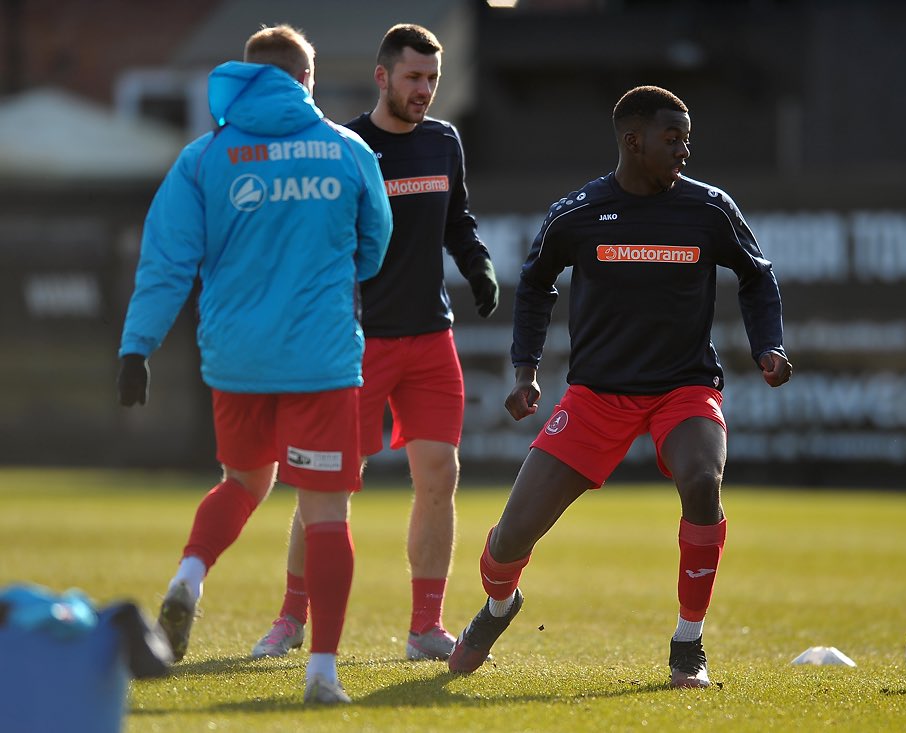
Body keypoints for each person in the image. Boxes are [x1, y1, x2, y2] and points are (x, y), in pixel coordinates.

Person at [446, 86, 793, 688]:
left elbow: (757, 279)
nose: (685, 149)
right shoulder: (580, 213)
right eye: (672, 138)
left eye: (687, 137)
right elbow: (534, 286)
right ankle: (500, 606)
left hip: (683, 389)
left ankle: (689, 642)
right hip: (596, 396)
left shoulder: (709, 209)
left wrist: (769, 346)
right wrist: (526, 370)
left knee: (703, 479)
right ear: (633, 142)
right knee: (508, 542)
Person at [116, 24, 392, 705]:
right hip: (320, 359)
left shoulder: (205, 156)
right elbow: (375, 246)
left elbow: (167, 259)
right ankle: (322, 672)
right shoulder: (346, 149)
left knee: (243, 479)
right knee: (326, 512)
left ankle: (190, 571)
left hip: (235, 359)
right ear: (307, 82)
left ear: (245, 77)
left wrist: (136, 346)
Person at [249, 23, 498, 663]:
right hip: (357, 344)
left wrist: (477, 266)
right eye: (414, 78)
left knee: (440, 475)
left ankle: (424, 629)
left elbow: (458, 223)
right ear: (382, 77)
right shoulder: (345, 147)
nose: (425, 91)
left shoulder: (444, 142)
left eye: (433, 80)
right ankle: (290, 621)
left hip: (430, 341)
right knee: (326, 484)